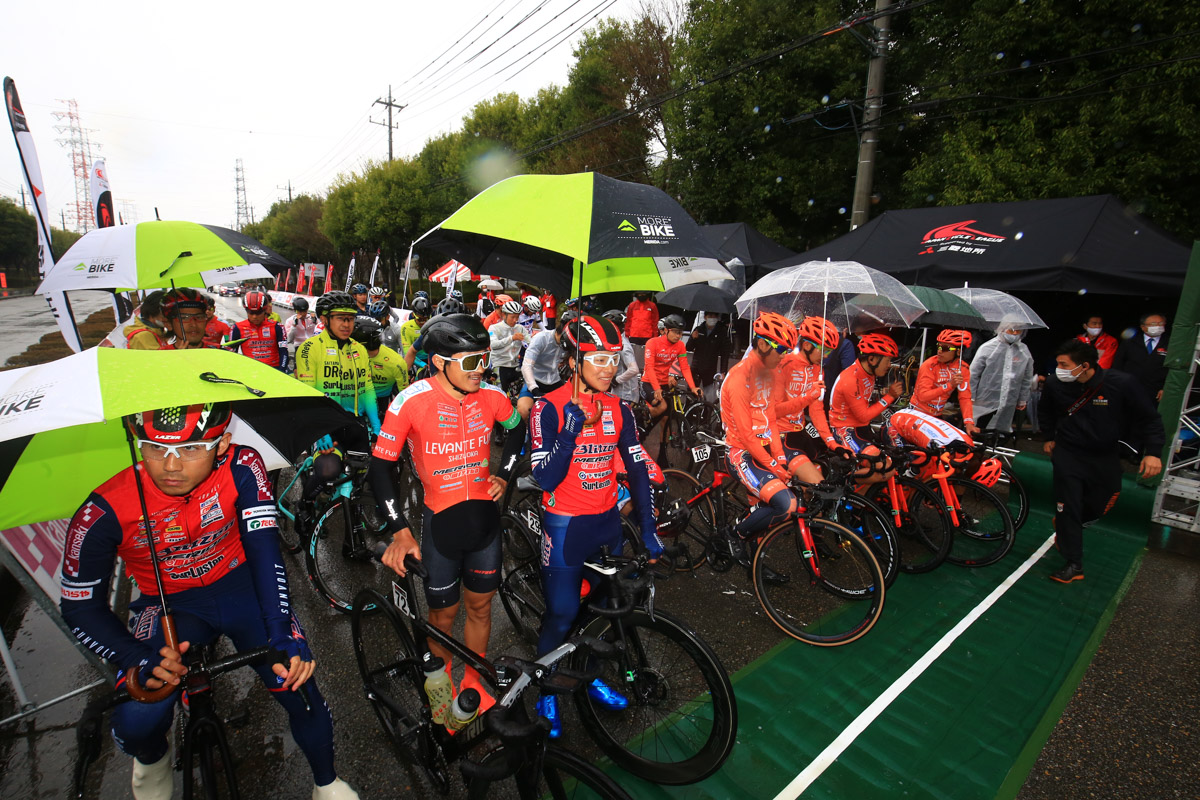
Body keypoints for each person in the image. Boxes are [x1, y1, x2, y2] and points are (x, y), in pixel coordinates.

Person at [59, 403, 358, 800]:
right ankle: (152, 758)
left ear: (223, 444)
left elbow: (265, 550)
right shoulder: (104, 507)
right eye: (153, 447)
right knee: (139, 716)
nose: (171, 465)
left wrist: (280, 630)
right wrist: (135, 657)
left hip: (240, 587)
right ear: (136, 443)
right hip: (169, 606)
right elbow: (79, 607)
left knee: (297, 683)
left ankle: (326, 782)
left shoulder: (242, 465)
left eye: (191, 448)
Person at [369, 314, 526, 710]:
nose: (482, 370)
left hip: (484, 526)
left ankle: (473, 680)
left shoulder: (492, 396)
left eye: (485, 359)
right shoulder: (411, 401)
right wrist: (399, 529)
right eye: (471, 362)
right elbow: (380, 467)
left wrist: (504, 475)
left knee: (480, 607)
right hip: (441, 526)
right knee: (443, 616)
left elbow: (517, 430)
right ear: (440, 362)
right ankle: (439, 680)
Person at [529, 314, 662, 736]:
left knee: (605, 611)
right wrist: (568, 430)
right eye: (598, 358)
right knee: (562, 613)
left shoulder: (619, 407)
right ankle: (544, 688)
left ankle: (591, 674)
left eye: (613, 358)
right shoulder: (545, 408)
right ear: (574, 360)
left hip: (606, 525)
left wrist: (649, 527)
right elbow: (545, 478)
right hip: (566, 526)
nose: (609, 367)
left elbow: (638, 468)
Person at [1039, 339, 1164, 583]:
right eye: (1058, 364)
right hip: (1068, 454)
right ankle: (1074, 563)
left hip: (1104, 456)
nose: (1059, 369)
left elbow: (1150, 418)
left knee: (1103, 500)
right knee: (1069, 505)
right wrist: (1049, 437)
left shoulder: (1121, 383)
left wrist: (1154, 452)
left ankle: (1068, 525)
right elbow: (1045, 411)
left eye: (1064, 364)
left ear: (1084, 365)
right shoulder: (1055, 384)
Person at [720, 312, 800, 565]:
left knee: (766, 510)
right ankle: (733, 534)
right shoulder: (739, 377)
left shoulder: (769, 373)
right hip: (740, 452)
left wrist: (779, 458)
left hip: (762, 450)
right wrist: (775, 465)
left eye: (789, 350)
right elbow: (746, 434)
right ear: (763, 344)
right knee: (786, 505)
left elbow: (770, 422)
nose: (784, 355)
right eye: (781, 349)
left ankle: (757, 566)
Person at [294, 291, 381, 509]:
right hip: (322, 422)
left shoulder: (359, 349)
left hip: (352, 422)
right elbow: (307, 393)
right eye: (341, 318)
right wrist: (320, 430)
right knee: (328, 470)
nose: (347, 324)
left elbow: (367, 389)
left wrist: (378, 425)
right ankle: (305, 506)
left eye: (351, 318)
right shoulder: (310, 349)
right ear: (324, 319)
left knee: (369, 470)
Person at [773, 316, 843, 485]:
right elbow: (775, 411)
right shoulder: (783, 364)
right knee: (819, 486)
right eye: (824, 350)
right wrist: (808, 396)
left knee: (827, 479)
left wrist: (832, 443)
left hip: (800, 432)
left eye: (830, 352)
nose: (826, 357)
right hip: (780, 435)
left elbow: (816, 409)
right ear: (806, 345)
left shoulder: (817, 368)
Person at [828, 332, 905, 481]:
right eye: (887, 360)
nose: (889, 365)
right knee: (884, 467)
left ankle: (859, 502)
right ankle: (841, 487)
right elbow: (863, 415)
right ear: (872, 359)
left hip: (861, 428)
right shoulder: (851, 378)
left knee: (891, 465)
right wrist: (889, 396)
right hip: (844, 430)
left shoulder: (869, 372)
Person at [970, 321, 1035, 435]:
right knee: (980, 429)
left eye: (1018, 331)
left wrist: (1022, 399)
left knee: (1001, 431)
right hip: (985, 399)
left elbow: (1027, 377)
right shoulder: (988, 348)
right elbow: (974, 373)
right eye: (1011, 330)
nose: (1014, 333)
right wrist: (970, 396)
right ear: (1002, 328)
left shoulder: (1023, 351)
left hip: (1009, 401)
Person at [911, 329, 980, 435]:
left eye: (945, 348)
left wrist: (969, 422)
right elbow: (923, 396)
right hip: (918, 412)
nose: (939, 351)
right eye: (938, 346)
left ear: (958, 351)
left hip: (936, 415)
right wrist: (949, 385)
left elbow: (965, 397)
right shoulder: (929, 365)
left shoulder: (963, 368)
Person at [641, 314, 702, 423]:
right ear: (665, 330)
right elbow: (649, 367)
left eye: (681, 332)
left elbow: (685, 368)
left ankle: (664, 441)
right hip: (649, 383)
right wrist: (656, 388)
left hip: (665, 383)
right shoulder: (652, 343)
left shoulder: (680, 346)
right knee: (662, 406)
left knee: (666, 418)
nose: (678, 336)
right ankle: (638, 421)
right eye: (675, 332)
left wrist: (693, 387)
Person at [516, 312, 575, 421]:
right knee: (523, 410)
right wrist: (534, 388)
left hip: (554, 381)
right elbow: (527, 365)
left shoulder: (570, 343)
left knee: (572, 410)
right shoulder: (542, 338)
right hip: (535, 381)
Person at [353, 316, 408, 418]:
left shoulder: (396, 363)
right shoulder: (348, 353)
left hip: (382, 398)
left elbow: (404, 394)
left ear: (361, 344)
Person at [1113, 312, 1170, 403]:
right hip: (1131, 389)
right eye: (1153, 324)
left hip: (1157, 392)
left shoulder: (1170, 343)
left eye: (1160, 323)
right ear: (1143, 327)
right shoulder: (1130, 342)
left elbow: (1174, 368)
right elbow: (1118, 365)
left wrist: (1166, 389)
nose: (1158, 326)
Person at [227, 290, 289, 373]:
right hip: (250, 370)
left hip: (274, 370)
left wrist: (282, 371)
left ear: (265, 310)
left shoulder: (277, 327)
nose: (254, 316)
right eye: (250, 313)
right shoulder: (237, 328)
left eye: (258, 313)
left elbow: (283, 351)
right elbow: (232, 354)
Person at [688, 312, 733, 403]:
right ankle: (689, 415)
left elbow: (725, 353)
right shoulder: (698, 329)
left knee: (708, 397)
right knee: (691, 394)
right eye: (710, 316)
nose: (712, 318)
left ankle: (706, 416)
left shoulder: (722, 331)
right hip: (695, 367)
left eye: (715, 316)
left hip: (710, 368)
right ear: (705, 317)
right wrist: (693, 338)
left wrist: (723, 371)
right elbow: (688, 348)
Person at [488, 299, 526, 394]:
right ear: (504, 315)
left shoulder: (520, 328)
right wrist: (512, 338)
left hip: (515, 366)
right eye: (512, 317)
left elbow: (530, 342)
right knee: (501, 394)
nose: (515, 320)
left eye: (517, 317)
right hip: (500, 365)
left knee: (517, 394)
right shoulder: (494, 328)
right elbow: (493, 345)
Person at [604, 310, 641, 404]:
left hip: (626, 394)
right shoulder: (616, 341)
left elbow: (634, 369)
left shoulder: (624, 346)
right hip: (618, 392)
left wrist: (616, 380)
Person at [625, 292, 659, 370]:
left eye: (643, 294)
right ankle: (631, 370)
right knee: (632, 355)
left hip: (647, 335)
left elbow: (655, 321)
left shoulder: (652, 305)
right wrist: (627, 333)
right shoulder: (632, 305)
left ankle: (646, 371)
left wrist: (655, 336)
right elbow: (628, 320)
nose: (641, 295)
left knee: (647, 356)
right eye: (639, 294)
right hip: (634, 334)